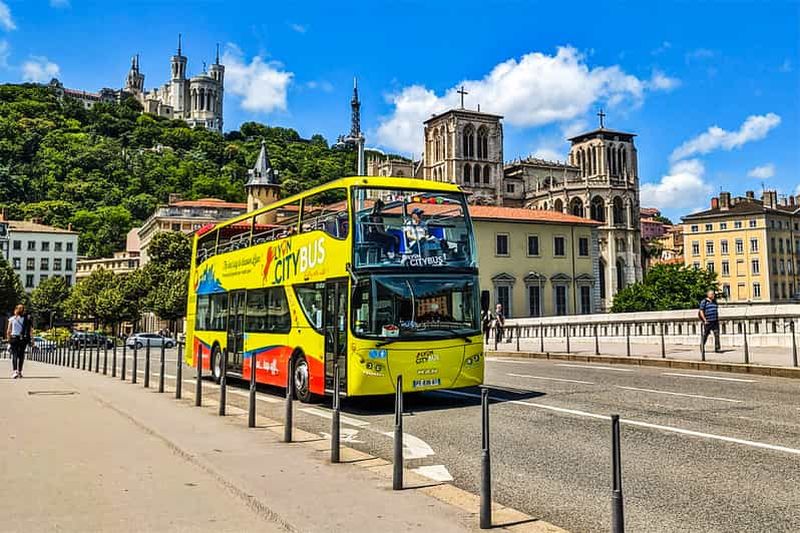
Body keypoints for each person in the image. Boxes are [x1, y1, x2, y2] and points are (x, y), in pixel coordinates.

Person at [6, 304, 31, 379]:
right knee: (21, 355)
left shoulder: (12, 319)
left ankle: (15, 372)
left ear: (16, 310)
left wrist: (8, 339)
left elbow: (8, 330)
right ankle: (20, 372)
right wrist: (31, 340)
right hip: (23, 339)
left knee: (15, 355)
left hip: (14, 338)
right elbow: (30, 330)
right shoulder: (26, 319)